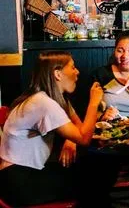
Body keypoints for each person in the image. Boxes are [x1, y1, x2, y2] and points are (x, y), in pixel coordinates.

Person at [0, 51, 103, 206]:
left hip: (18, 175)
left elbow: (79, 128)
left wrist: (70, 140)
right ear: (58, 74)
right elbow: (84, 138)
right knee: (95, 182)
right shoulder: (43, 103)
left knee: (93, 173)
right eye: (73, 67)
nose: (77, 72)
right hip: (19, 181)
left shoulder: (47, 98)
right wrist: (94, 103)